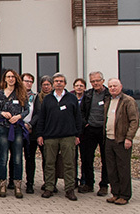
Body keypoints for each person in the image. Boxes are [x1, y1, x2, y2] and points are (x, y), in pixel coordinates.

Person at [36, 73, 82, 201]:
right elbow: (42, 118)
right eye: (56, 81)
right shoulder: (47, 99)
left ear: (65, 83)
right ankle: (49, 187)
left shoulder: (71, 98)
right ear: (53, 84)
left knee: (69, 164)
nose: (59, 83)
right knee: (49, 163)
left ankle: (69, 189)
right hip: (50, 136)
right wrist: (40, 134)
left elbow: (78, 117)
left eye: (61, 81)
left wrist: (77, 135)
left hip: (68, 136)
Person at [0, 70, 29, 198]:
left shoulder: (21, 93)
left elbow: (27, 109)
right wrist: (2, 113)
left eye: (13, 77)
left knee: (17, 158)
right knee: (3, 158)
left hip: (17, 128)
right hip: (3, 128)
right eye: (8, 77)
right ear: (5, 79)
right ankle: (2, 184)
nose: (11, 79)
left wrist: (19, 116)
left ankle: (17, 186)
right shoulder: (0, 93)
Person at [104, 78, 139, 206]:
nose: (112, 88)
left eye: (115, 86)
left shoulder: (128, 101)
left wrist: (129, 138)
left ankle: (124, 195)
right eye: (110, 86)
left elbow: (134, 121)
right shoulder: (108, 100)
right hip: (109, 139)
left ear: (121, 87)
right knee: (111, 169)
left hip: (122, 140)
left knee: (123, 169)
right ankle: (115, 193)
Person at [79, 72, 109, 196]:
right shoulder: (88, 94)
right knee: (87, 158)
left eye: (98, 80)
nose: (95, 83)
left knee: (105, 159)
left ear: (103, 80)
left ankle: (104, 185)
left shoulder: (109, 95)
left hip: (104, 130)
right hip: (90, 129)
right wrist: (85, 123)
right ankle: (89, 184)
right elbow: (81, 111)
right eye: (93, 81)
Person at [21, 72, 38, 194]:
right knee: (15, 157)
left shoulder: (35, 97)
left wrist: (30, 124)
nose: (28, 83)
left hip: (31, 131)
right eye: (26, 81)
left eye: (31, 81)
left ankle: (30, 183)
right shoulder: (16, 95)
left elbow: (38, 113)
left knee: (30, 158)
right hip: (17, 129)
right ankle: (13, 181)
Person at [72, 78, 86, 190]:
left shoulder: (88, 98)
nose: (79, 87)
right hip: (73, 131)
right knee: (73, 157)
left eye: (81, 85)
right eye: (77, 85)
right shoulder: (70, 98)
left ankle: (84, 180)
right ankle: (74, 179)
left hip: (85, 132)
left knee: (85, 157)